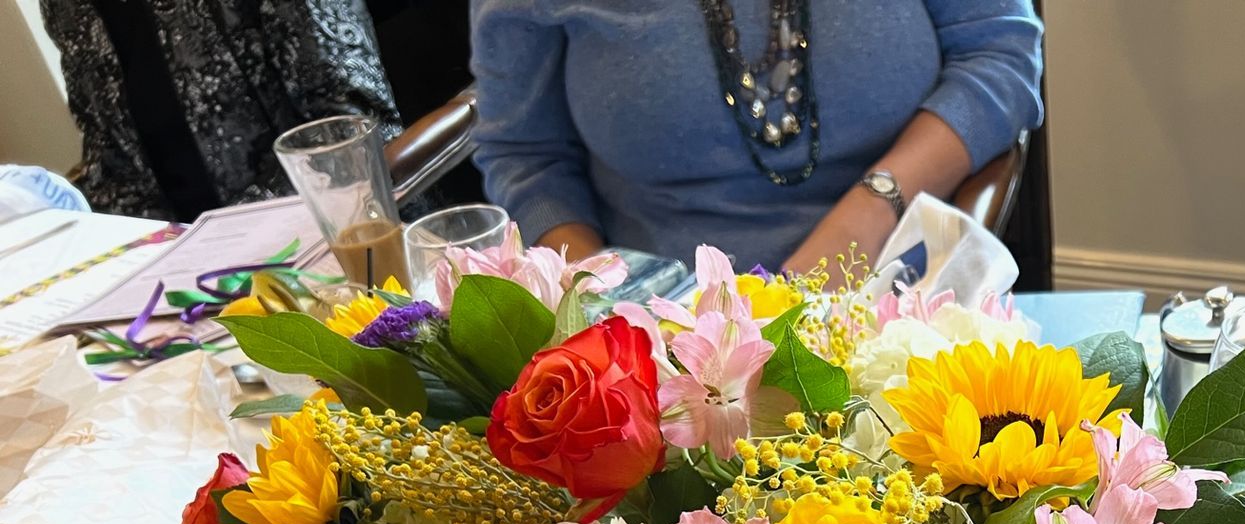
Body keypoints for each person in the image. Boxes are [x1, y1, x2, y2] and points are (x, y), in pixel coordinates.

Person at [468, 0, 1043, 273]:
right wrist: (596, 294)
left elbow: (1000, 59)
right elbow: (527, 150)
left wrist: (867, 217)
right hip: (650, 329)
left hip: (901, 289)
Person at [39, 0, 398, 221]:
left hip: (326, 230)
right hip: (186, 270)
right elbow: (109, 156)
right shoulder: (65, 7)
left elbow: (347, 128)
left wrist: (224, 234)